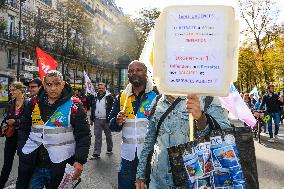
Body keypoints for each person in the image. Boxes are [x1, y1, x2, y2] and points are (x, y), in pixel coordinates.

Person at [135, 94, 230, 189]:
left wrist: (201, 119)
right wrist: (140, 174)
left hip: (193, 181)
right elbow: (149, 141)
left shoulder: (208, 98)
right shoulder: (157, 100)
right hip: (158, 181)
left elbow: (225, 136)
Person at [16, 70, 91, 189]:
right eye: (49, 84)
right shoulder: (33, 103)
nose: (53, 88)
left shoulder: (75, 105)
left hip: (60, 164)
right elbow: (24, 128)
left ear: (63, 84)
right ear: (44, 85)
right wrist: (22, 150)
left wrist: (79, 160)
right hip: (33, 164)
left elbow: (83, 135)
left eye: (57, 84)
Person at [109, 60, 158, 189]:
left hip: (150, 158)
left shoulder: (157, 95)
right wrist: (117, 121)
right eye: (131, 71)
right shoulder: (121, 96)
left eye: (138, 70)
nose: (134, 73)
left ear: (146, 73)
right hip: (128, 158)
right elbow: (111, 124)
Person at [0, 82, 27, 189]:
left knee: (23, 162)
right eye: (10, 90)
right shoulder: (10, 103)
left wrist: (16, 122)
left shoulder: (28, 103)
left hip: (23, 136)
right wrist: (7, 121)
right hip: (11, 135)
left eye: (13, 90)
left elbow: (28, 120)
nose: (11, 92)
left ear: (20, 90)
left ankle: (21, 184)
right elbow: (6, 116)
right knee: (7, 161)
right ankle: (1, 183)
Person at [89, 83, 114, 159]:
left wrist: (112, 119)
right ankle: (96, 153)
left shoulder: (110, 97)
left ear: (105, 88)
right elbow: (92, 108)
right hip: (97, 119)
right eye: (99, 88)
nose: (100, 90)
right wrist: (91, 119)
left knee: (108, 136)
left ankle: (109, 148)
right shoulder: (94, 97)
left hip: (107, 120)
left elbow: (113, 109)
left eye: (102, 88)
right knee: (97, 137)